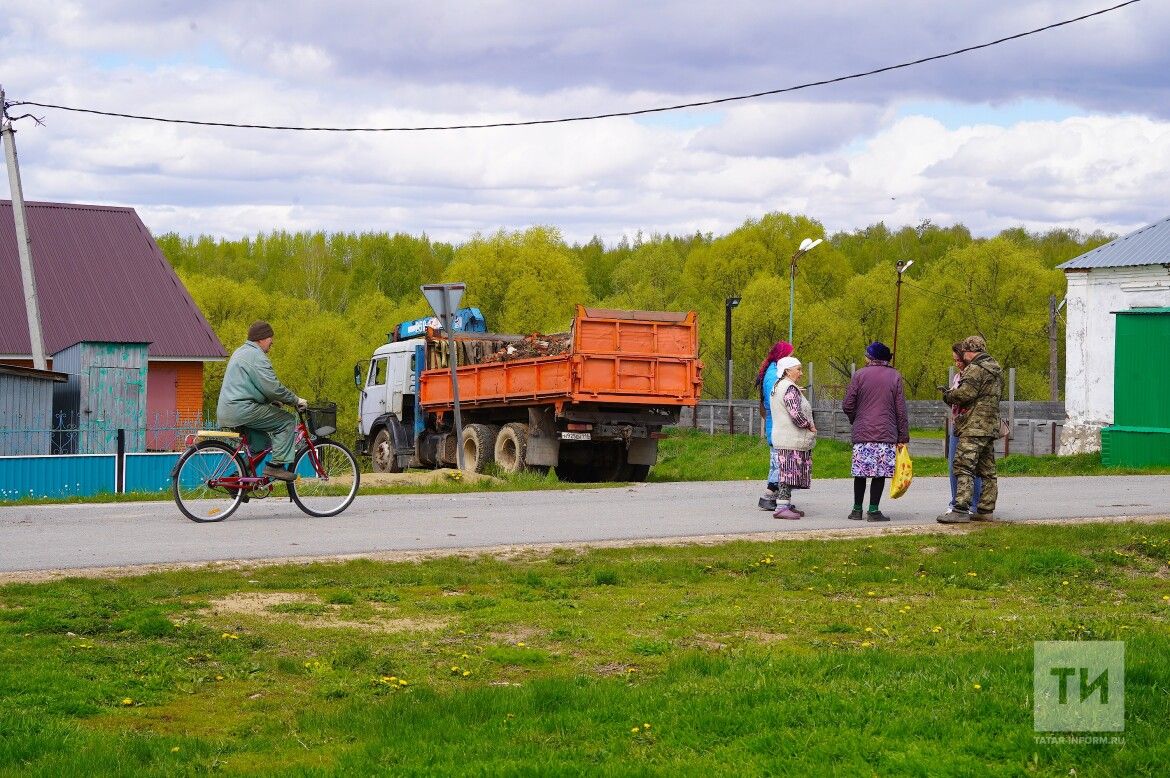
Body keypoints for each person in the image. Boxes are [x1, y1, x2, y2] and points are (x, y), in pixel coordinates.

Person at [217, 320, 308, 482]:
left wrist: (270, 401)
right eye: (270, 338)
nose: (272, 341)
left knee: (262, 444)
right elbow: (272, 387)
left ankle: (238, 479)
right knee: (287, 420)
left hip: (229, 410)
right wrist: (295, 400)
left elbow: (251, 385)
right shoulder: (256, 356)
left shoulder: (241, 352)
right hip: (242, 409)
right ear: (261, 339)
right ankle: (276, 467)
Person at [841, 341, 909, 522]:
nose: (864, 358)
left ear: (871, 357)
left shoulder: (859, 375)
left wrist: (856, 419)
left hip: (863, 433)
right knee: (879, 473)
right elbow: (900, 409)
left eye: (866, 355)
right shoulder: (895, 376)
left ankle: (856, 510)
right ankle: (873, 510)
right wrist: (902, 436)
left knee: (860, 472)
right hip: (886, 434)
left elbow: (847, 404)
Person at [938, 335, 1002, 523]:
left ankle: (960, 509)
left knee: (963, 466)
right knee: (987, 470)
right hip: (990, 425)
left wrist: (948, 395)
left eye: (964, 353)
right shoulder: (996, 369)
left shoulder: (975, 369)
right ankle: (985, 509)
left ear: (969, 351)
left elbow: (965, 394)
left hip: (973, 425)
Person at [769, 356, 816, 520]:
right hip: (790, 438)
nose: (801, 373)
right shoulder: (788, 388)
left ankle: (785, 504)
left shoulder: (779, 386)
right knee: (788, 473)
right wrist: (808, 425)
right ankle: (781, 507)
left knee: (787, 472)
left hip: (783, 436)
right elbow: (795, 413)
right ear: (788, 371)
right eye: (798, 369)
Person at [754, 341, 794, 511]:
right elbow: (775, 399)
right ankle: (770, 495)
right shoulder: (773, 375)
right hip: (778, 424)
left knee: (776, 461)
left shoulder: (772, 371)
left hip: (776, 424)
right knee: (779, 462)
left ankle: (773, 497)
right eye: (789, 355)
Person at [946, 342, 983, 511]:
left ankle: (973, 504)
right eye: (954, 360)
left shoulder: (974, 375)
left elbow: (967, 397)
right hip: (957, 425)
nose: (957, 363)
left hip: (970, 425)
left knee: (971, 466)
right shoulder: (957, 376)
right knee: (954, 465)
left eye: (959, 360)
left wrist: (952, 396)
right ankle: (955, 501)